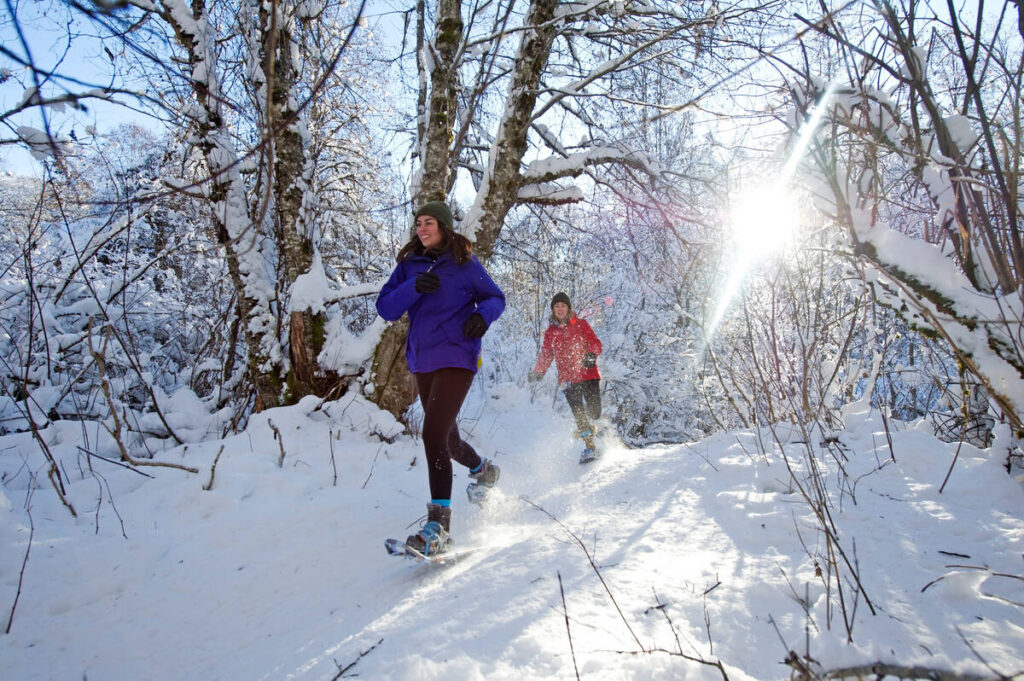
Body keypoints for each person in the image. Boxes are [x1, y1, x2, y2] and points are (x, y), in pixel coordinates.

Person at [376, 200, 505, 557]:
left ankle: (439, 527)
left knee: (431, 433)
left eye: (428, 222)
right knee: (447, 441)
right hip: (423, 360)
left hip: (457, 355)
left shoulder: (463, 264)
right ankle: (483, 470)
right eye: (418, 223)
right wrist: (414, 285)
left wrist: (483, 316)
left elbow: (496, 297)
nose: (421, 228)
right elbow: (386, 308)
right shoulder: (408, 266)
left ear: (444, 226)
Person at [529, 292, 604, 463]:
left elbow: (595, 343)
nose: (560, 309)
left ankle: (599, 430)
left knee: (594, 412)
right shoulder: (550, 333)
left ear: (568, 308)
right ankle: (590, 446)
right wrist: (538, 372)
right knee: (579, 414)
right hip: (567, 380)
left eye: (563, 305)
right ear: (553, 310)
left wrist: (591, 354)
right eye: (557, 306)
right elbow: (546, 355)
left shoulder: (581, 324)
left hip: (588, 375)